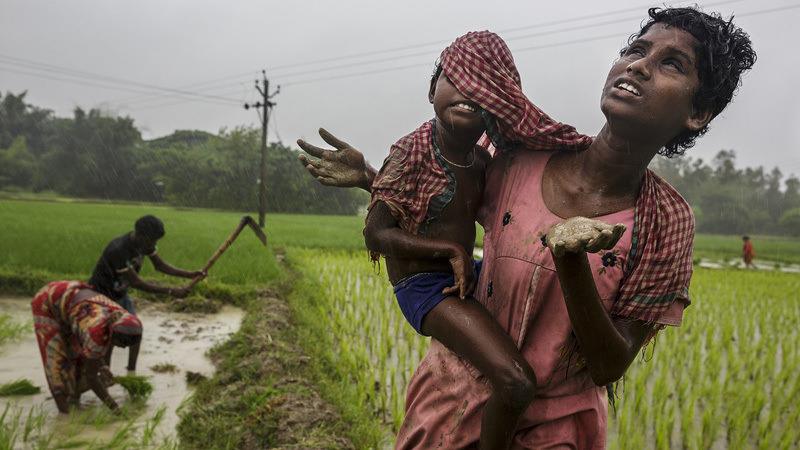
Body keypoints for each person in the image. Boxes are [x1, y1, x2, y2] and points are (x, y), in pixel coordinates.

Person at [298, 6, 755, 448]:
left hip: (557, 430)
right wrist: (372, 180)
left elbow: (608, 364)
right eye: (636, 50)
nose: (638, 66)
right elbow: (441, 206)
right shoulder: (522, 161)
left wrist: (570, 259)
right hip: (451, 405)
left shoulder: (665, 223)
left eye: (671, 63)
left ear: (698, 113)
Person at [358, 31, 624, 449]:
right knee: (516, 382)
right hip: (425, 287)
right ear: (432, 89)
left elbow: (495, 216)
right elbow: (376, 232)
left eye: (482, 89)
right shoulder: (412, 152)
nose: (468, 94)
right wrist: (450, 251)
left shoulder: (483, 161)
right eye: (457, 80)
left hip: (465, 273)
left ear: (496, 108)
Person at [88, 215, 204, 371]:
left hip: (120, 294)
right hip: (102, 295)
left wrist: (190, 274)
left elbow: (160, 266)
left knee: (136, 331)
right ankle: (105, 374)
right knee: (110, 337)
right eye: (152, 240)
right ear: (140, 235)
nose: (154, 244)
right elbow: (137, 283)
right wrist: (171, 291)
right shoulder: (119, 249)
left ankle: (132, 372)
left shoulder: (145, 243)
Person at [31, 280, 143, 413]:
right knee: (56, 364)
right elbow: (91, 377)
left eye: (126, 345)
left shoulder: (122, 318)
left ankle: (74, 400)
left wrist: (102, 366)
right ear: (112, 333)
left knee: (78, 360)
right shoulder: (96, 331)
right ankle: (65, 416)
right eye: (121, 343)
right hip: (49, 302)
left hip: (73, 304)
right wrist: (114, 408)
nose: (123, 348)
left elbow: (92, 351)